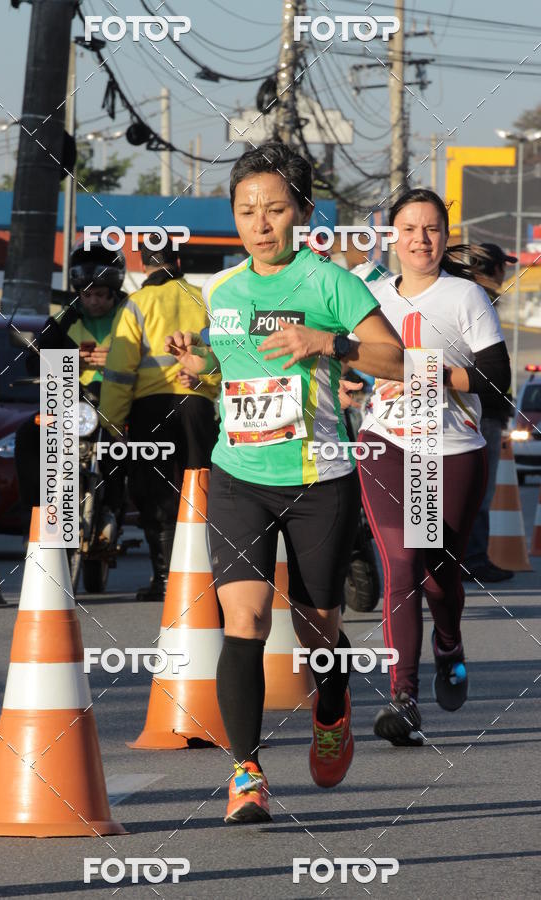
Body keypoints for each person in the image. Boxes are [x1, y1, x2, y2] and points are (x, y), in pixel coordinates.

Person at [166, 141, 404, 824]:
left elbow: (397, 358)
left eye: (273, 209)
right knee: (241, 619)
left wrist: (327, 343)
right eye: (246, 211)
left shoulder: (330, 283)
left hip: (317, 479)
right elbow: (232, 365)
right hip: (238, 474)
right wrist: (199, 366)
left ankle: (331, 706)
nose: (260, 223)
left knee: (316, 626)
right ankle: (246, 773)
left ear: (302, 211)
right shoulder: (223, 289)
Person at [354, 189, 511, 747]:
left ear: (445, 237)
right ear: (391, 236)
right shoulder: (370, 296)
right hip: (387, 442)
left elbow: (496, 381)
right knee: (400, 564)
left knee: (440, 578)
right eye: (410, 228)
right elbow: (350, 362)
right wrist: (348, 381)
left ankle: (449, 642)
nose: (421, 239)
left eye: (432, 229)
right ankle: (404, 697)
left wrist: (427, 372)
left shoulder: (465, 295)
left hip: (450, 447)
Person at [99, 237, 220, 602]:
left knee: (156, 494)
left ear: (142, 265)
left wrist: (113, 421)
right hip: (197, 405)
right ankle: (207, 579)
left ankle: (166, 580)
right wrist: (207, 384)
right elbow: (224, 351)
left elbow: (119, 370)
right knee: (201, 489)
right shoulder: (203, 298)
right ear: (177, 260)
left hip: (150, 411)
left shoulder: (136, 304)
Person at [15, 235, 126, 541]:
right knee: (27, 436)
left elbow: (152, 355)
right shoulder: (63, 319)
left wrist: (117, 359)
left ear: (114, 290)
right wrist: (70, 361)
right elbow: (33, 362)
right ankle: (36, 513)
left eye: (101, 295)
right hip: (71, 407)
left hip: (119, 405)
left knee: (134, 447)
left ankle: (118, 508)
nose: (93, 302)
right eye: (87, 294)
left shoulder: (132, 314)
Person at [462, 243, 517, 582]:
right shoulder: (480, 300)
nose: (506, 273)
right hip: (480, 410)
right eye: (503, 267)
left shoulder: (461, 294)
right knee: (480, 487)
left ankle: (444, 560)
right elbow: (486, 365)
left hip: (463, 406)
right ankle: (473, 558)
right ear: (495, 268)